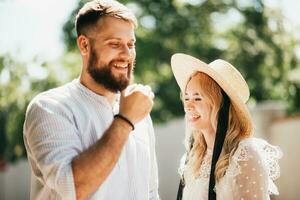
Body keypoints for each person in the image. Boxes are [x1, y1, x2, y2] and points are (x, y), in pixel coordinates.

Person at [23, 0, 159, 199]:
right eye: (115, 44)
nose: (127, 54)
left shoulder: (140, 112)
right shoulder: (49, 108)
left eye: (131, 44)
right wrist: (125, 121)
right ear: (84, 45)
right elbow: (72, 189)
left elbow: (150, 192)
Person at [171, 53, 282, 200]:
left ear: (220, 104)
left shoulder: (244, 156)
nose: (188, 106)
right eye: (186, 98)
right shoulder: (192, 157)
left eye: (197, 98)